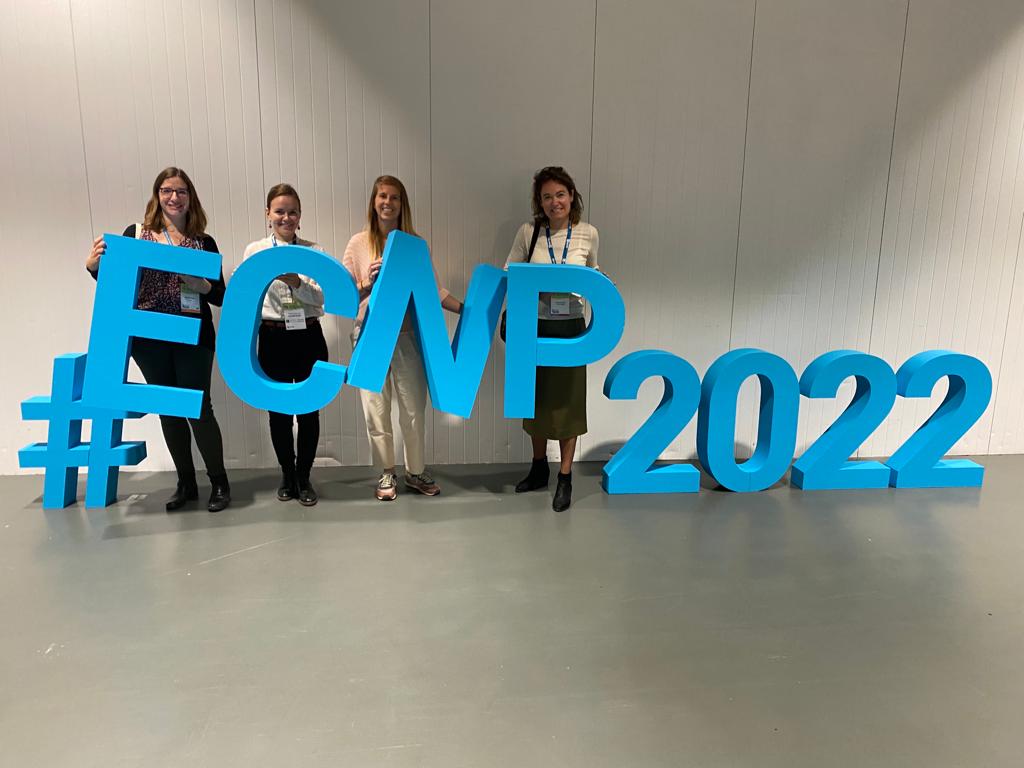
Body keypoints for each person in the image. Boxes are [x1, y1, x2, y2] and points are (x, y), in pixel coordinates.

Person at [85, 167, 231, 512]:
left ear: (190, 197)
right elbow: (116, 283)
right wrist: (93, 267)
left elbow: (220, 295)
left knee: (199, 409)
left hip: (193, 336)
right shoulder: (136, 235)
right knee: (168, 410)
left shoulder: (203, 241)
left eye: (181, 191)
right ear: (157, 195)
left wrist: (201, 285)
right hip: (149, 336)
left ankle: (219, 482)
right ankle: (186, 483)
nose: (174, 197)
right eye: (167, 190)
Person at [342, 175, 463, 501]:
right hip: (370, 337)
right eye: (382, 196)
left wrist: (465, 310)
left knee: (413, 411)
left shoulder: (414, 244)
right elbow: (345, 296)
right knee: (376, 410)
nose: (388, 202)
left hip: (408, 337)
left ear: (402, 204)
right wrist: (367, 283)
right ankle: (386, 472)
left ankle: (415, 471)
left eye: (394, 197)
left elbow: (433, 291)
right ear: (374, 201)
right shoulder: (358, 243)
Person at [506, 166, 600, 512]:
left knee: (568, 403)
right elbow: (510, 272)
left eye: (560, 194)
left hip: (570, 327)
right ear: (539, 202)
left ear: (571, 196)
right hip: (534, 326)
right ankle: (538, 468)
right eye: (547, 197)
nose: (554, 202)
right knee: (536, 400)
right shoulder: (529, 232)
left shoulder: (588, 233)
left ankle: (565, 477)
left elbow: (593, 276)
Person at [240, 183, 328, 506]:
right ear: (268, 214)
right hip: (273, 337)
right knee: (277, 412)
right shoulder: (255, 251)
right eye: (279, 211)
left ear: (300, 216)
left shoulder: (314, 251)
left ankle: (304, 477)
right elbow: (245, 294)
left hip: (308, 336)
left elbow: (322, 297)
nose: (286, 217)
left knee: (308, 411)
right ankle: (287, 475)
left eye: (292, 212)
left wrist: (297, 282)